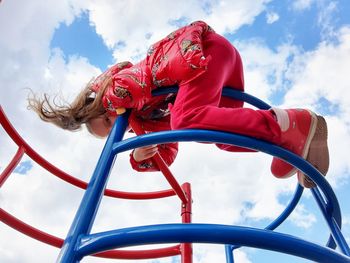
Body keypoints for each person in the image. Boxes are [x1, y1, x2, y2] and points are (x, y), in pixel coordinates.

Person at [28, 21, 329, 188]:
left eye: (107, 120)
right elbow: (172, 146)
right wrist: (144, 154)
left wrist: (114, 106)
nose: (115, 123)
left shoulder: (118, 86)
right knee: (219, 137)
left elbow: (132, 87)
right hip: (214, 77)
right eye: (112, 129)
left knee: (186, 119)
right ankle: (289, 143)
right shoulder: (144, 119)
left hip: (202, 54)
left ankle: (286, 124)